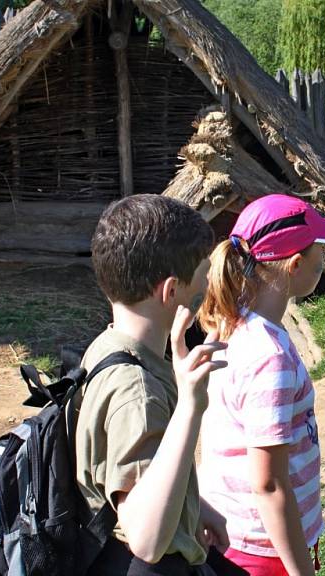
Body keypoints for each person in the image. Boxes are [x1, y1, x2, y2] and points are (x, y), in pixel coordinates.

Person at [75, 194, 229, 575]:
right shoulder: (137, 393)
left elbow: (130, 474)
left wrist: (197, 508)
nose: (208, 285)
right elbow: (145, 538)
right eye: (203, 275)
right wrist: (191, 407)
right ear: (171, 291)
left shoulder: (107, 345)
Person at [198, 194, 325, 576]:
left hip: (236, 531)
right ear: (296, 265)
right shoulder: (270, 356)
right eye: (322, 253)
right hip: (264, 550)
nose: (324, 262)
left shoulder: (230, 324)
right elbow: (268, 484)